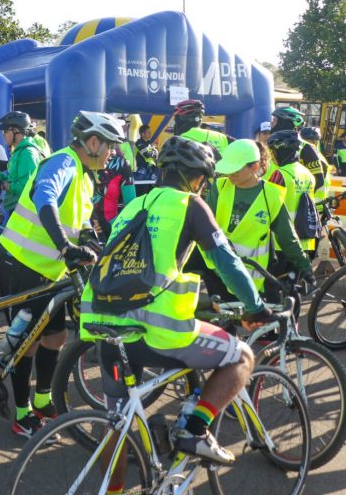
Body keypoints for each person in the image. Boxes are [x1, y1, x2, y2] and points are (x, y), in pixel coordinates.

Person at [80, 136, 272, 467]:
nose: (202, 187)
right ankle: (195, 429)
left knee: (117, 427)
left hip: (104, 327)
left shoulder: (134, 206)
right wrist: (255, 306)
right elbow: (226, 262)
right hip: (156, 332)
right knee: (241, 356)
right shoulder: (189, 204)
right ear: (193, 176)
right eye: (202, 180)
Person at [0, 111, 124, 439]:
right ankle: (22, 413)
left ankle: (42, 400)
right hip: (22, 265)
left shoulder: (83, 173)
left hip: (49, 272)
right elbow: (46, 199)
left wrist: (88, 243)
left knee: (55, 337)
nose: (112, 153)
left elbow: (78, 218)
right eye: (110, 146)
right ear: (93, 142)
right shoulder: (63, 162)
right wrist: (65, 246)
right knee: (26, 342)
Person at [203, 139, 313, 301]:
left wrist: (305, 267)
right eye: (228, 169)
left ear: (254, 166)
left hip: (254, 276)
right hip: (218, 271)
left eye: (235, 170)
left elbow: (286, 236)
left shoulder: (271, 195)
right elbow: (204, 227)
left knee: (261, 322)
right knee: (224, 322)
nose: (230, 174)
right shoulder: (219, 187)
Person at [267, 130, 317, 256]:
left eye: (272, 151)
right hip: (305, 240)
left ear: (281, 151)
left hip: (282, 242)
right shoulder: (307, 173)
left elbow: (268, 205)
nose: (272, 156)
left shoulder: (280, 174)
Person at [271, 106, 327, 208]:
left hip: (293, 206)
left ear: (284, 123)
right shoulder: (273, 144)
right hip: (272, 203)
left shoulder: (306, 148)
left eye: (275, 121)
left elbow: (318, 180)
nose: (271, 124)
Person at [0, 111, 45, 216]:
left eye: (5, 131)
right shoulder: (18, 151)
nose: (3, 135)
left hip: (23, 210)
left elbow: (25, 186)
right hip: (16, 206)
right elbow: (15, 178)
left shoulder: (27, 153)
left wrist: (3, 186)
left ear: (16, 131)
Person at [91, 145, 136, 239]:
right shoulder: (84, 161)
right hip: (89, 225)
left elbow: (131, 204)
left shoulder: (121, 164)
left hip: (110, 226)